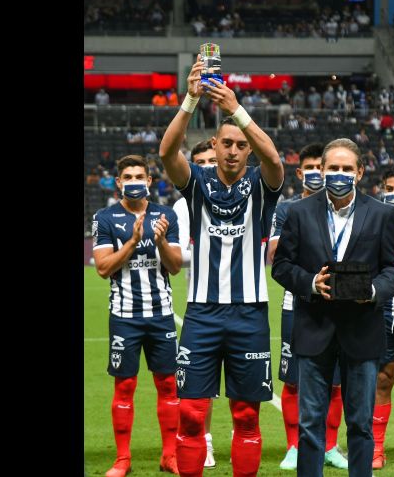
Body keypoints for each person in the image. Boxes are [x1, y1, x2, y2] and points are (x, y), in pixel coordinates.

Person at [159, 53, 284, 477]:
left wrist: (236, 109)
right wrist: (191, 100)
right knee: (191, 414)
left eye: (240, 145)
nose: (232, 151)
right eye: (226, 143)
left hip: (249, 314)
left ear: (248, 148)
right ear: (213, 145)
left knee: (247, 415)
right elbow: (166, 152)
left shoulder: (262, 185)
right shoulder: (197, 182)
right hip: (202, 314)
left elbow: (275, 161)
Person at [271, 138, 394, 477]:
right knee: (310, 425)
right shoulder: (299, 212)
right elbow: (282, 266)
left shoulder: (381, 215)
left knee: (360, 424)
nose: (339, 174)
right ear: (322, 170)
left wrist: (372, 291)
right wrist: (310, 283)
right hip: (314, 329)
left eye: (347, 168)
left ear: (359, 172)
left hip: (362, 330)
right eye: (333, 168)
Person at [91, 155, 184, 477]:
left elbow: (175, 266)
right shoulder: (104, 218)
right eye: (127, 177)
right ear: (118, 182)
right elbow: (103, 268)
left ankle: (169, 456)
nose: (134, 182)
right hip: (124, 316)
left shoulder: (166, 215)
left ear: (149, 180)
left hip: (161, 315)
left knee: (168, 386)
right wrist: (132, 241)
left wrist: (160, 241)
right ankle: (123, 459)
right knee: (125, 386)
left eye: (139, 176)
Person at [266, 143, 348, 471]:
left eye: (320, 167)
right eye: (310, 168)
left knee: (336, 381)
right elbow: (275, 255)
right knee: (293, 379)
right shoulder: (286, 209)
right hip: (296, 305)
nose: (316, 173)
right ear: (300, 173)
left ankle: (330, 445)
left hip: (339, 305)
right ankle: (293, 446)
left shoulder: (344, 207)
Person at [171, 140, 219, 469]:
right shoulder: (182, 204)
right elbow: (179, 255)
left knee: (245, 388)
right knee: (202, 386)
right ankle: (205, 440)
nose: (206, 167)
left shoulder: (244, 195)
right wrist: (213, 248)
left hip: (243, 304)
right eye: (199, 162)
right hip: (200, 304)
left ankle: (243, 438)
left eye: (211, 160)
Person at [372, 166, 394, 470]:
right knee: (382, 379)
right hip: (381, 315)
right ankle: (376, 448)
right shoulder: (374, 224)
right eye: (390, 189)